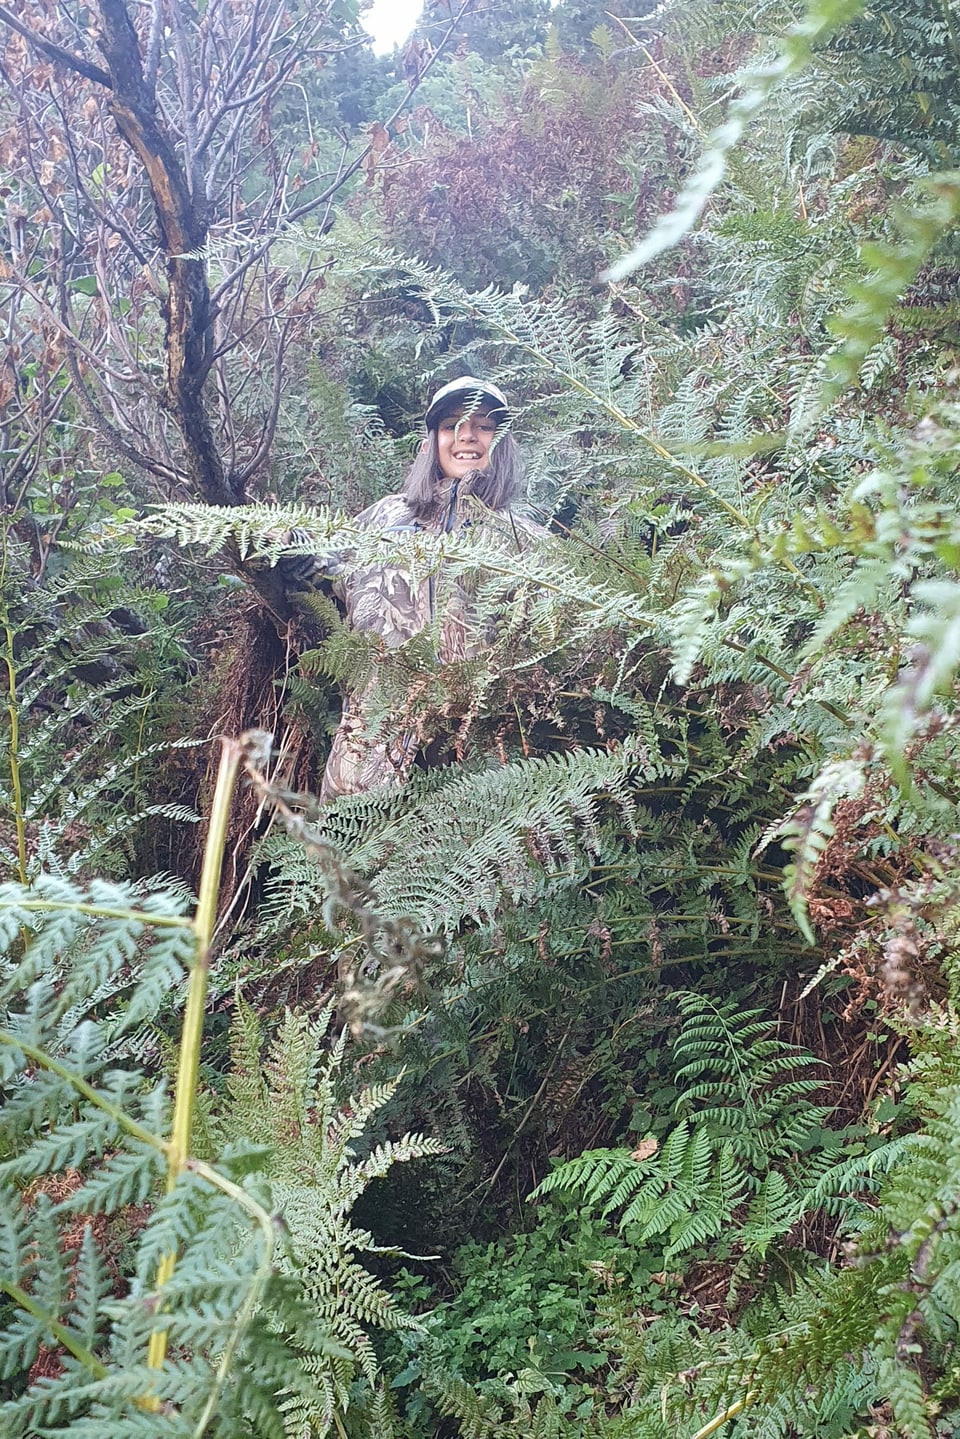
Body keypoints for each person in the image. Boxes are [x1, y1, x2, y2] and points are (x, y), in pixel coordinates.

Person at [286, 377, 543, 801]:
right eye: (451, 424)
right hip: (369, 756)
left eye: (483, 425)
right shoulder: (385, 517)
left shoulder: (527, 539)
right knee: (354, 862)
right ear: (432, 441)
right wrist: (279, 543)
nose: (466, 436)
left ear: (502, 442)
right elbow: (322, 571)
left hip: (481, 765)